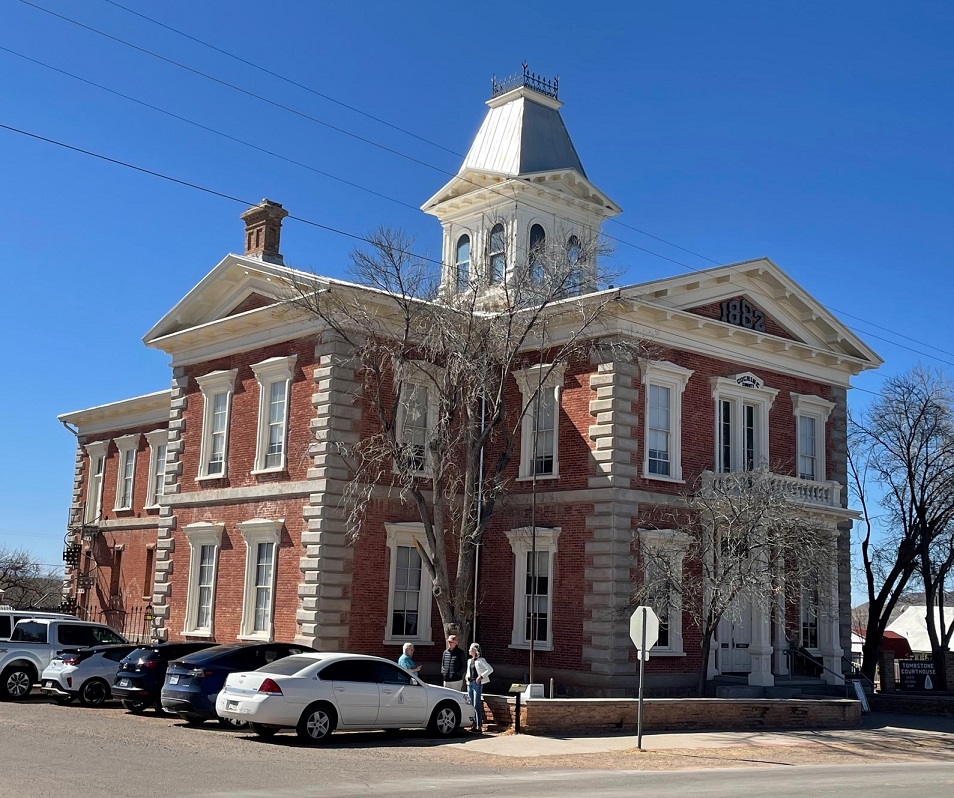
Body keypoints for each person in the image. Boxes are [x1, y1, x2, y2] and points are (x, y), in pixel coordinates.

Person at [465, 643, 493, 732]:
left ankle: (479, 725)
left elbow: (490, 669)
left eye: (470, 649)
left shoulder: (481, 660)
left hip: (477, 684)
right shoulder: (469, 661)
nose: (469, 650)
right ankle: (472, 724)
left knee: (476, 703)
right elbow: (468, 671)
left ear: (475, 650)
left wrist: (481, 676)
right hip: (470, 683)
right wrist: (466, 677)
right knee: (471, 704)